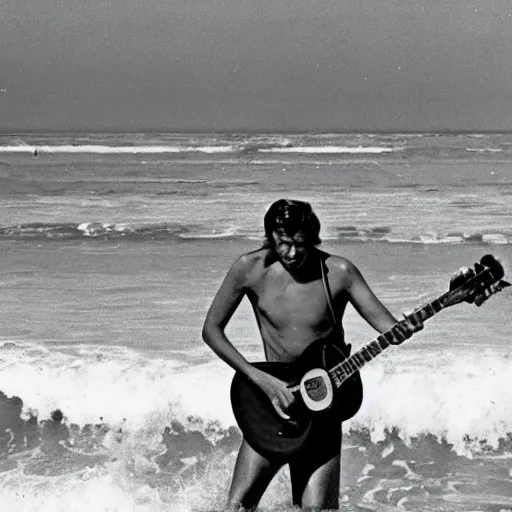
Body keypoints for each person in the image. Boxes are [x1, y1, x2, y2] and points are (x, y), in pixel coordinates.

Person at [202, 199, 423, 510]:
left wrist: (407, 325)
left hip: (323, 406)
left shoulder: (340, 272)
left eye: (300, 244)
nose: (291, 253)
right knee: (237, 507)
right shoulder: (249, 269)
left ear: (313, 237)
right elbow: (211, 330)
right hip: (273, 405)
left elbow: (389, 329)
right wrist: (259, 378)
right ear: (270, 237)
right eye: (283, 244)